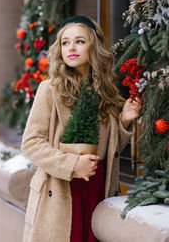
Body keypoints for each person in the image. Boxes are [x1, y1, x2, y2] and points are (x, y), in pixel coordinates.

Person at [21, 16, 141, 242]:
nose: (71, 48)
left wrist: (124, 121)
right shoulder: (50, 89)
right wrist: (73, 164)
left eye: (79, 41)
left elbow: (109, 148)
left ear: (93, 46)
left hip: (97, 188)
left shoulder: (105, 92)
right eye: (65, 43)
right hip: (60, 191)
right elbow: (31, 143)